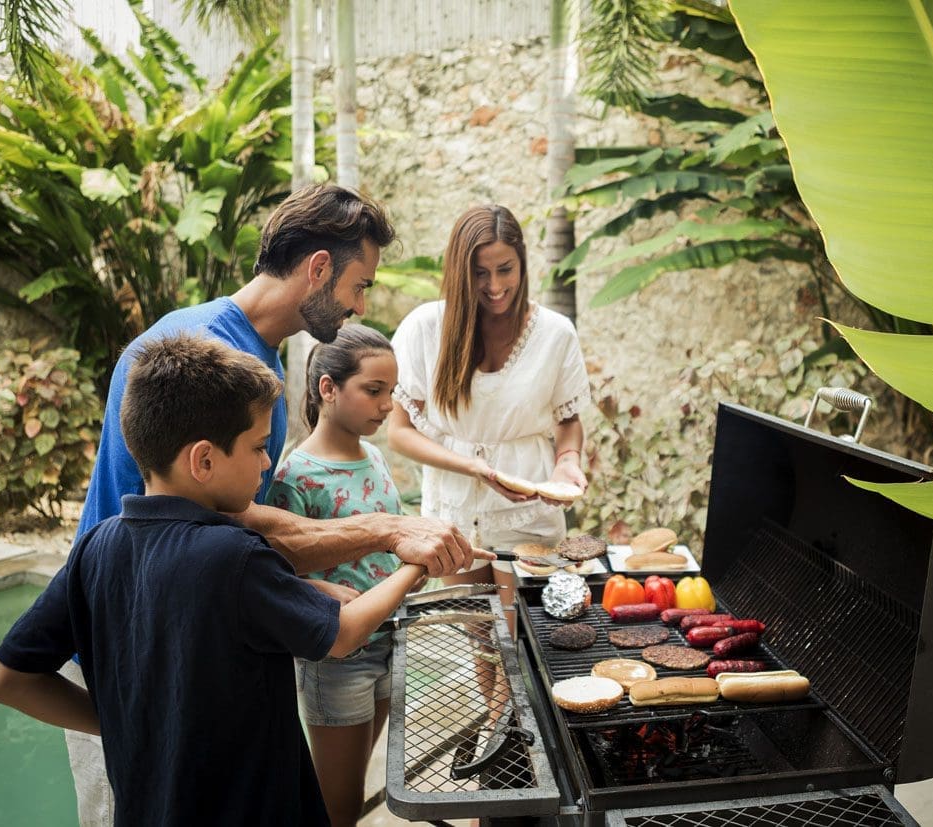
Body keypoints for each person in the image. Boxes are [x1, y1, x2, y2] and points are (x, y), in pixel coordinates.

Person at [63, 184, 487, 825]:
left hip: (189, 654)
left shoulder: (262, 374)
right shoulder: (194, 356)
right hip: (125, 656)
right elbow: (217, 526)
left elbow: (237, 537)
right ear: (319, 268)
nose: (360, 305)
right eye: (359, 285)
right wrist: (391, 532)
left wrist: (327, 590)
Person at [0, 333, 427, 827]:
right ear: (204, 460)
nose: (266, 462)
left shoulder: (96, 546)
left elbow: (7, 680)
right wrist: (413, 562)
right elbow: (342, 635)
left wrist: (120, 722)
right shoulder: (235, 556)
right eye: (258, 446)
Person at [387, 204, 591, 616]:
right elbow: (399, 431)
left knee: (526, 634)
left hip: (530, 509)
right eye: (480, 272)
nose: (495, 285)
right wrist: (473, 468)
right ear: (460, 271)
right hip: (454, 509)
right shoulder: (425, 328)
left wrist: (567, 461)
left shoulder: (555, 333)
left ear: (523, 265)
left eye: (505, 269)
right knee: (480, 639)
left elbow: (568, 421)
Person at [264, 325, 406, 826]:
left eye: (391, 392)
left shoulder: (378, 458)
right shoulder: (294, 477)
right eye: (374, 390)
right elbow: (273, 571)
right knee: (338, 804)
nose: (387, 405)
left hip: (393, 640)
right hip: (338, 659)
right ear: (328, 388)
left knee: (361, 772)